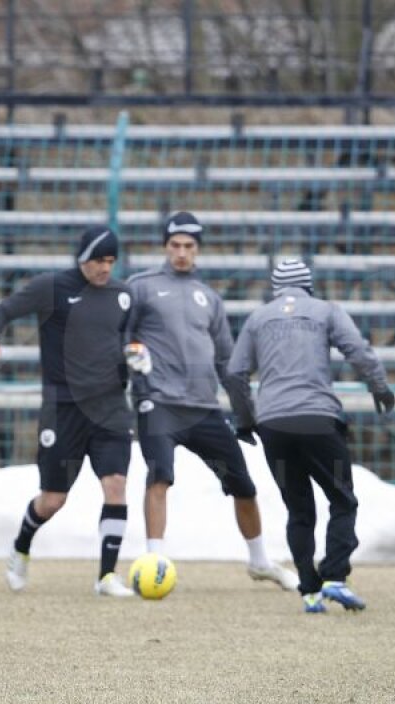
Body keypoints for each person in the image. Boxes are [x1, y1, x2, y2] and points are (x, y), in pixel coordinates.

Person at [124, 211, 298, 591]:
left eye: (188, 246)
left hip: (204, 408)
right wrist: (131, 355)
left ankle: (259, 562)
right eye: (175, 246)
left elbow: (227, 361)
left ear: (197, 250)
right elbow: (119, 335)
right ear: (165, 247)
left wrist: (245, 414)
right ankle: (155, 557)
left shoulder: (210, 298)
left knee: (243, 486)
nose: (181, 253)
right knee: (160, 477)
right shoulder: (141, 287)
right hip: (160, 403)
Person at [0, 225, 136, 597]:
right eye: (98, 261)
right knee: (53, 499)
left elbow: (129, 338)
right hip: (64, 409)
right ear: (82, 259)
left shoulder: (123, 295)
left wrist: (137, 356)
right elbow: (4, 310)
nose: (104, 268)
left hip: (111, 408)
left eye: (110, 261)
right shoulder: (52, 287)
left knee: (116, 485)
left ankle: (106, 576)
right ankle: (21, 546)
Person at [227, 257, 395, 613]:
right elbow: (358, 351)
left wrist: (245, 421)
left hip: (274, 424)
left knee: (298, 508)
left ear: (276, 288)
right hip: (318, 419)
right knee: (341, 498)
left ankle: (309, 589)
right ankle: (335, 576)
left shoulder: (258, 318)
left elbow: (235, 372)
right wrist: (379, 387)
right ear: (308, 285)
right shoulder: (325, 310)